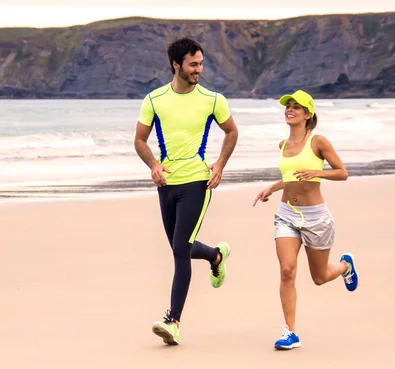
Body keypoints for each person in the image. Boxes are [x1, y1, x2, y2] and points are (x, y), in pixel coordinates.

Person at [134, 37, 239, 345]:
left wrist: (219, 165)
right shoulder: (154, 100)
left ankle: (173, 321)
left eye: (201, 64)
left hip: (197, 182)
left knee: (180, 248)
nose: (199, 70)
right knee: (181, 247)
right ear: (176, 65)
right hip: (166, 184)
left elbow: (231, 131)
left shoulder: (212, 99)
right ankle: (216, 255)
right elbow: (140, 140)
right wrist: (153, 164)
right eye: (193, 64)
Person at [252, 90, 359, 350]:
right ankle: (290, 332)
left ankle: (345, 266)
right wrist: (272, 188)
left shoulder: (318, 142)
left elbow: (342, 173)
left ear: (307, 114)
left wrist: (316, 172)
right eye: (288, 106)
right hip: (286, 215)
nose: (290, 109)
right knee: (287, 271)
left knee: (319, 277)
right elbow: (291, 176)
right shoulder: (282, 145)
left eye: (296, 107)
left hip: (316, 218)